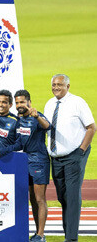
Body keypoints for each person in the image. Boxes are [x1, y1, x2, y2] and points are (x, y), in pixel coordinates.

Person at [44, 74, 95, 242]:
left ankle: (71, 238)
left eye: (59, 84)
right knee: (62, 196)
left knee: (72, 196)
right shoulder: (50, 104)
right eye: (53, 84)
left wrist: (81, 150)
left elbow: (91, 127)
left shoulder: (77, 102)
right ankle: (69, 232)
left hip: (74, 154)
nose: (56, 87)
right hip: (56, 157)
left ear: (68, 86)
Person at [9, 90, 50, 242]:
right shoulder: (19, 120)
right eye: (17, 102)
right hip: (25, 161)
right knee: (32, 199)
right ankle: (37, 233)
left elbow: (47, 126)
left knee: (40, 199)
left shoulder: (35, 116)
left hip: (39, 161)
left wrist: (37, 116)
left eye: (22, 102)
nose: (20, 105)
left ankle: (41, 234)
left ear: (29, 102)